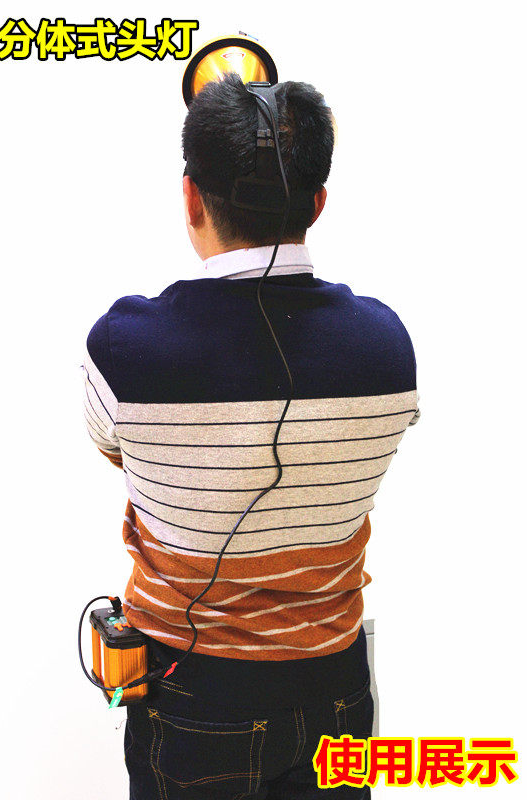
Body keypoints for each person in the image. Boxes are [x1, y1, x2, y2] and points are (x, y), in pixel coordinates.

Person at [83, 72, 419, 799]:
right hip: (337, 689)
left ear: (191, 198)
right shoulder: (388, 347)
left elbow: (116, 451)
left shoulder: (123, 349)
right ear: (318, 203)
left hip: (192, 695)